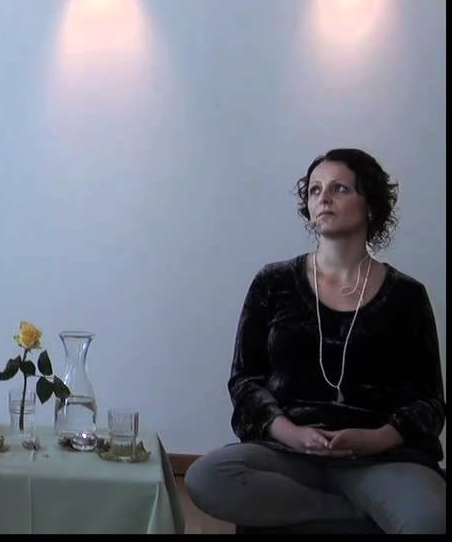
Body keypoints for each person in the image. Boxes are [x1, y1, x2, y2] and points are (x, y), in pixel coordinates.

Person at [186, 148, 445, 534]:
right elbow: (245, 382)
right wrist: (291, 432)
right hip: (287, 452)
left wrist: (375, 439)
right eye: (314, 190)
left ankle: (359, 505)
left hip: (381, 457)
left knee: (430, 520)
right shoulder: (274, 282)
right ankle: (353, 514)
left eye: (339, 188)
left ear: (370, 204)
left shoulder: (406, 295)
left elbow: (429, 401)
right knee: (207, 477)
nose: (323, 198)